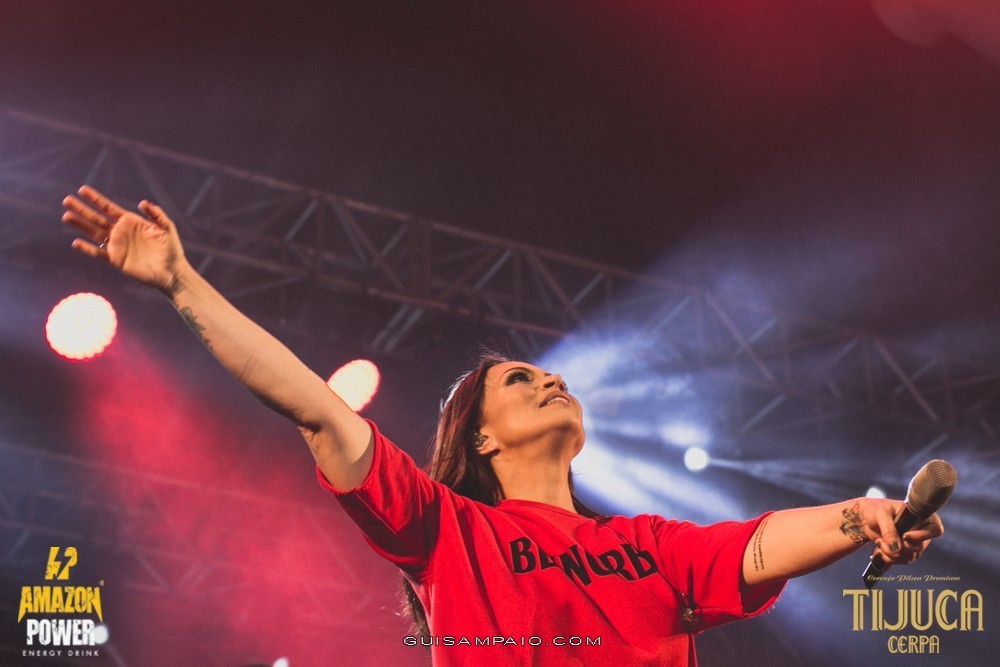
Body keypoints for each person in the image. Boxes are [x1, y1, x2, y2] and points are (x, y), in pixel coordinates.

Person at [61, 186, 944, 666]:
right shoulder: (445, 530)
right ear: (480, 437)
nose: (552, 376)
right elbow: (311, 402)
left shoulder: (648, 544)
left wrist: (861, 515)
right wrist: (181, 283)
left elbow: (754, 545)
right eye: (521, 379)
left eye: (546, 371)